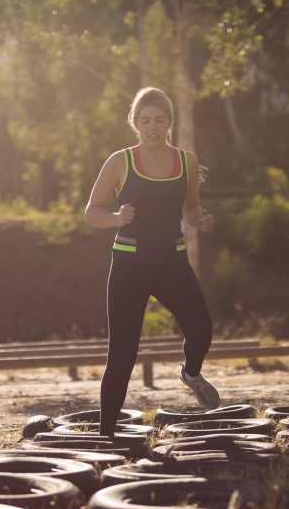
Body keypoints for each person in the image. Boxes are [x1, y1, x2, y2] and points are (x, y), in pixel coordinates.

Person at [84, 86, 220, 437]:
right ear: (135, 122)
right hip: (129, 265)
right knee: (122, 355)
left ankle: (191, 374)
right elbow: (92, 211)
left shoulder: (185, 161)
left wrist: (198, 219)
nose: (153, 127)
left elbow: (189, 207)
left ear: (169, 122)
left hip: (171, 261)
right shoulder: (121, 160)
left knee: (202, 329)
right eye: (145, 120)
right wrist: (116, 218)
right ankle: (106, 437)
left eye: (160, 120)